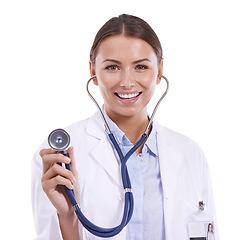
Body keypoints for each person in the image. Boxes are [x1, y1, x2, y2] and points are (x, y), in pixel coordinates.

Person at [31, 14, 219, 240]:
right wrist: (69, 216)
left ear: (159, 70)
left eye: (140, 66)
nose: (127, 82)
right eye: (112, 67)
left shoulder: (190, 154)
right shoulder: (60, 158)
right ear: (93, 71)